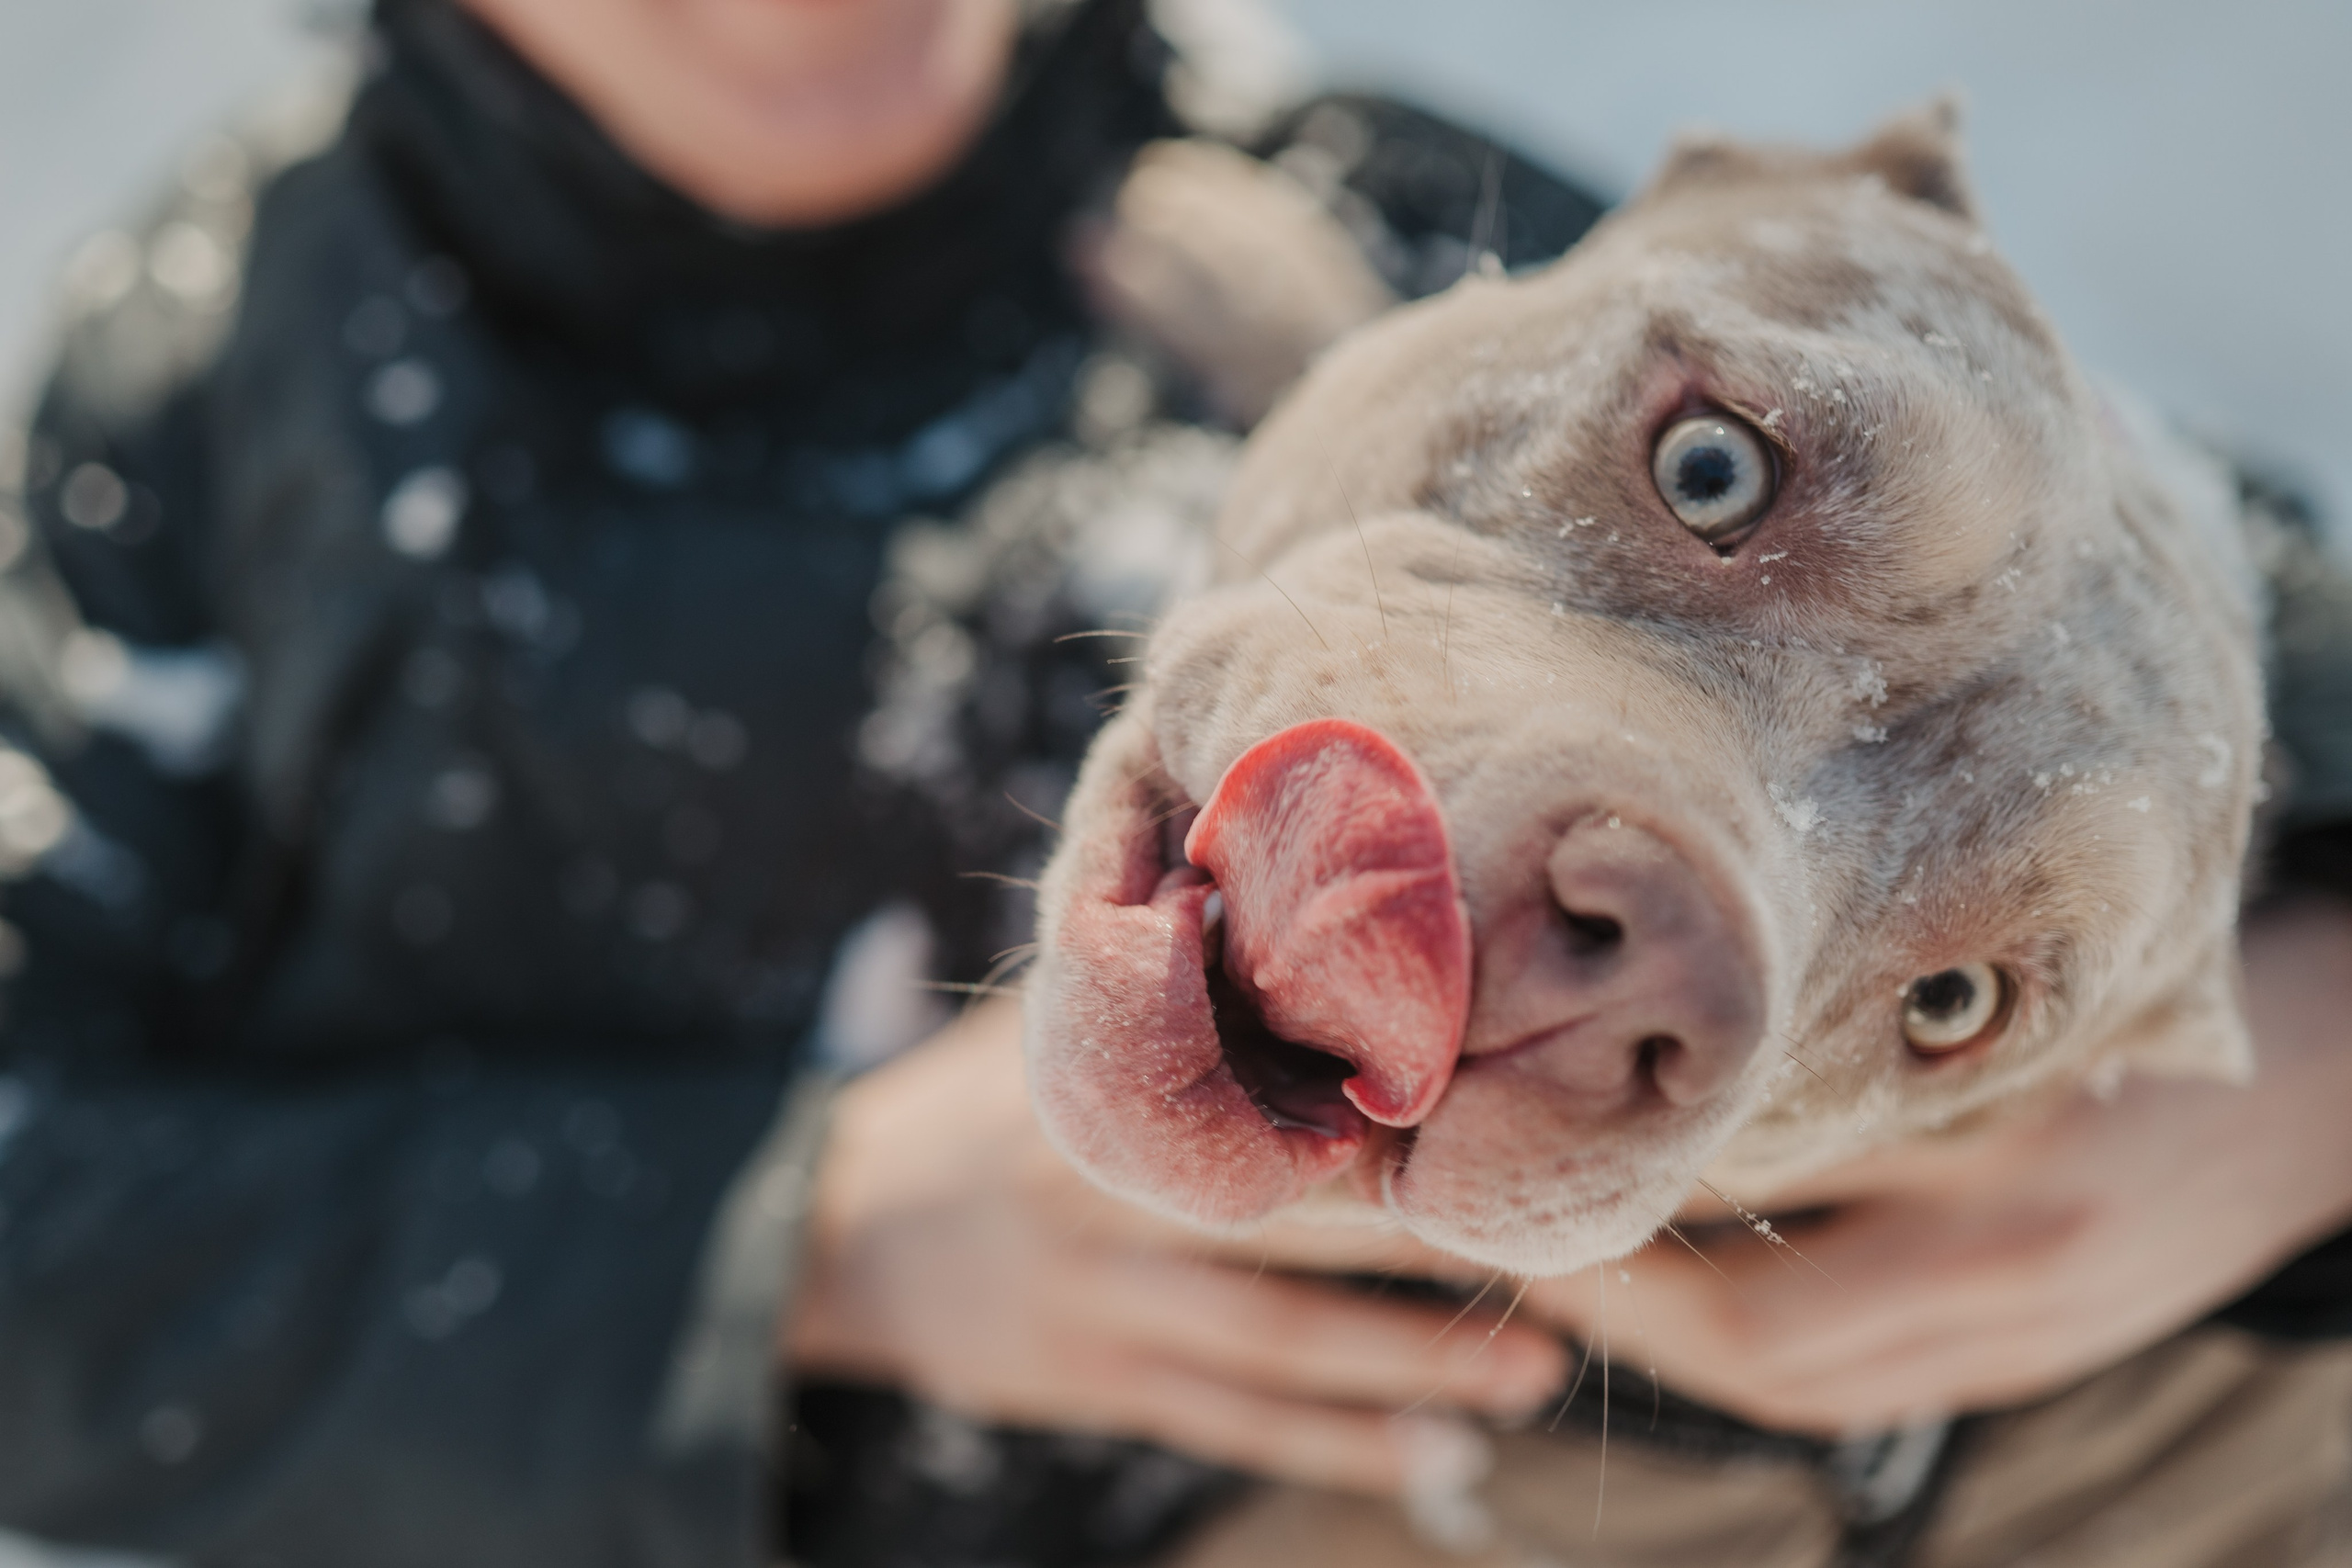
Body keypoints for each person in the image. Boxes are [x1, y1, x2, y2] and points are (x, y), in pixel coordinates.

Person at [1, 0, 2348, 1562]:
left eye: (1705, 471)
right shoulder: (232, 362)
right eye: (1711, 471)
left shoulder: (1341, 191)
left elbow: (2110, 605)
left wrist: (2308, 1067)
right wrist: (781, 1240)